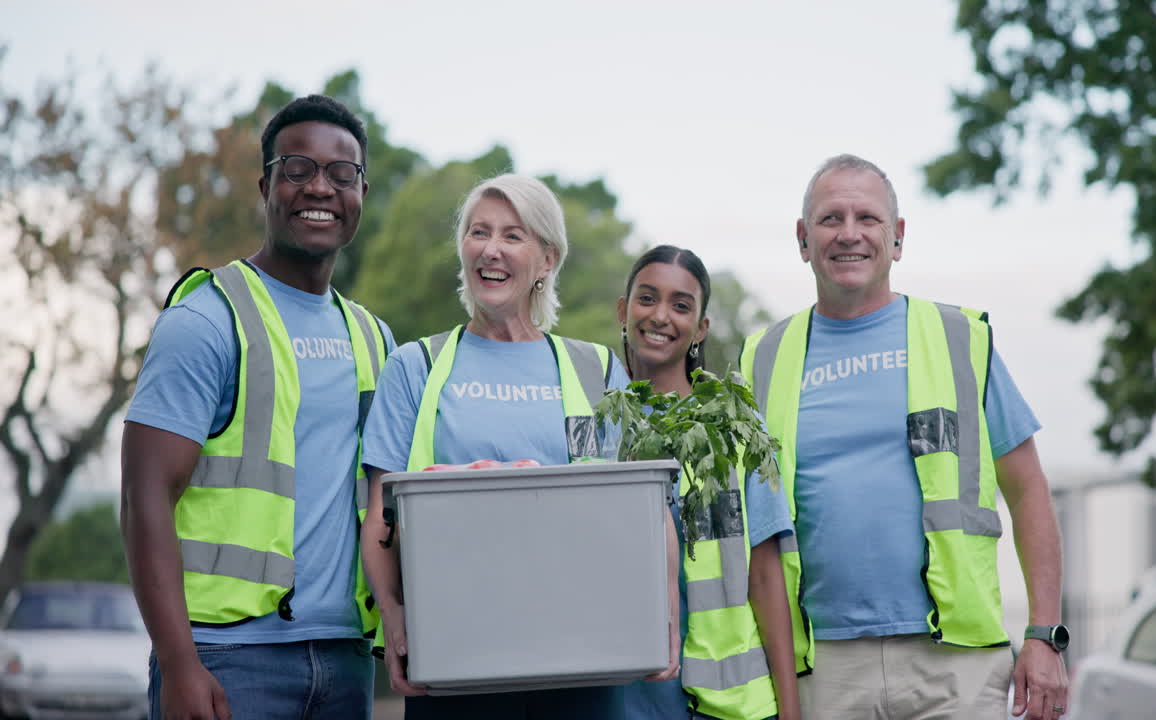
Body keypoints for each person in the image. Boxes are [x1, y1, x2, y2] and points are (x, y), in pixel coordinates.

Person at [739, 154, 1070, 720]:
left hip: (954, 665)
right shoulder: (762, 358)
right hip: (823, 666)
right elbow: (754, 534)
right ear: (802, 238)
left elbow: (1028, 490)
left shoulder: (959, 338)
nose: (849, 234)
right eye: (830, 218)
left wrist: (1044, 633)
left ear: (897, 238)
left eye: (867, 218)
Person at [359, 174, 674, 719]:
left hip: (584, 659)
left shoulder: (596, 370)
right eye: (478, 232)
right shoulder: (416, 367)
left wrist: (663, 613)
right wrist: (393, 617)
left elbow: (648, 511)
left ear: (547, 258)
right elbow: (378, 516)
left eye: (513, 235)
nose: (491, 249)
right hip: (454, 662)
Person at [121, 94, 394, 720]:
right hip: (225, 658)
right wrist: (180, 662)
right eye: (297, 169)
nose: (319, 187)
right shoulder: (206, 320)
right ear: (267, 184)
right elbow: (143, 497)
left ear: (361, 192)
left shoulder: (376, 339)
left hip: (345, 657)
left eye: (341, 173)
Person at [617, 246, 804, 720]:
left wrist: (791, 709)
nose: (661, 316)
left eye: (681, 306)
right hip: (622, 697)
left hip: (728, 704)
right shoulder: (597, 427)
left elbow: (764, 574)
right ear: (624, 310)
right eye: (647, 299)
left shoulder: (737, 428)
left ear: (700, 328)